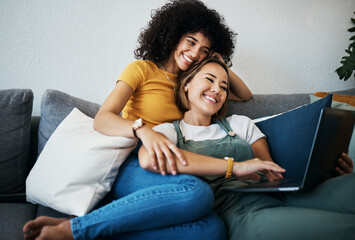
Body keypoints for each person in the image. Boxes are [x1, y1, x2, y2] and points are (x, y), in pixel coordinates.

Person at [23, 1, 253, 239]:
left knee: (213, 230)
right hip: (132, 161)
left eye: (204, 50)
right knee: (197, 192)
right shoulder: (141, 70)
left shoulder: (194, 82)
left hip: (168, 163)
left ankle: (88, 230)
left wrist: (218, 62)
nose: (195, 53)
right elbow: (102, 119)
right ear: (173, 34)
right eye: (191, 41)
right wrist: (143, 131)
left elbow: (244, 95)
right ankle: (72, 230)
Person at [138, 58, 355, 240]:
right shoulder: (169, 131)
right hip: (239, 212)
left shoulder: (240, 123)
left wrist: (327, 172)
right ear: (187, 83)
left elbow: (272, 174)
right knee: (346, 227)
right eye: (209, 79)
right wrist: (234, 167)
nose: (217, 89)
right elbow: (149, 159)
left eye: (224, 86)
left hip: (279, 196)